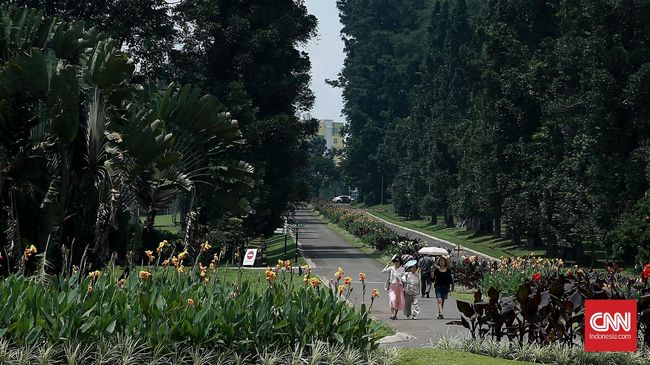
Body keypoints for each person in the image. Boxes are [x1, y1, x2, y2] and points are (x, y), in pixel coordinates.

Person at [382, 255, 405, 320]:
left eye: (397, 261)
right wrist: (388, 264)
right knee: (392, 299)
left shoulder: (402, 269)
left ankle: (395, 315)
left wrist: (402, 279)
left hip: (399, 286)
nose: (396, 262)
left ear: (400, 262)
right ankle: (392, 314)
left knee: (398, 301)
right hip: (392, 286)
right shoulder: (391, 268)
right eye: (395, 261)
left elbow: (404, 277)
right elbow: (383, 271)